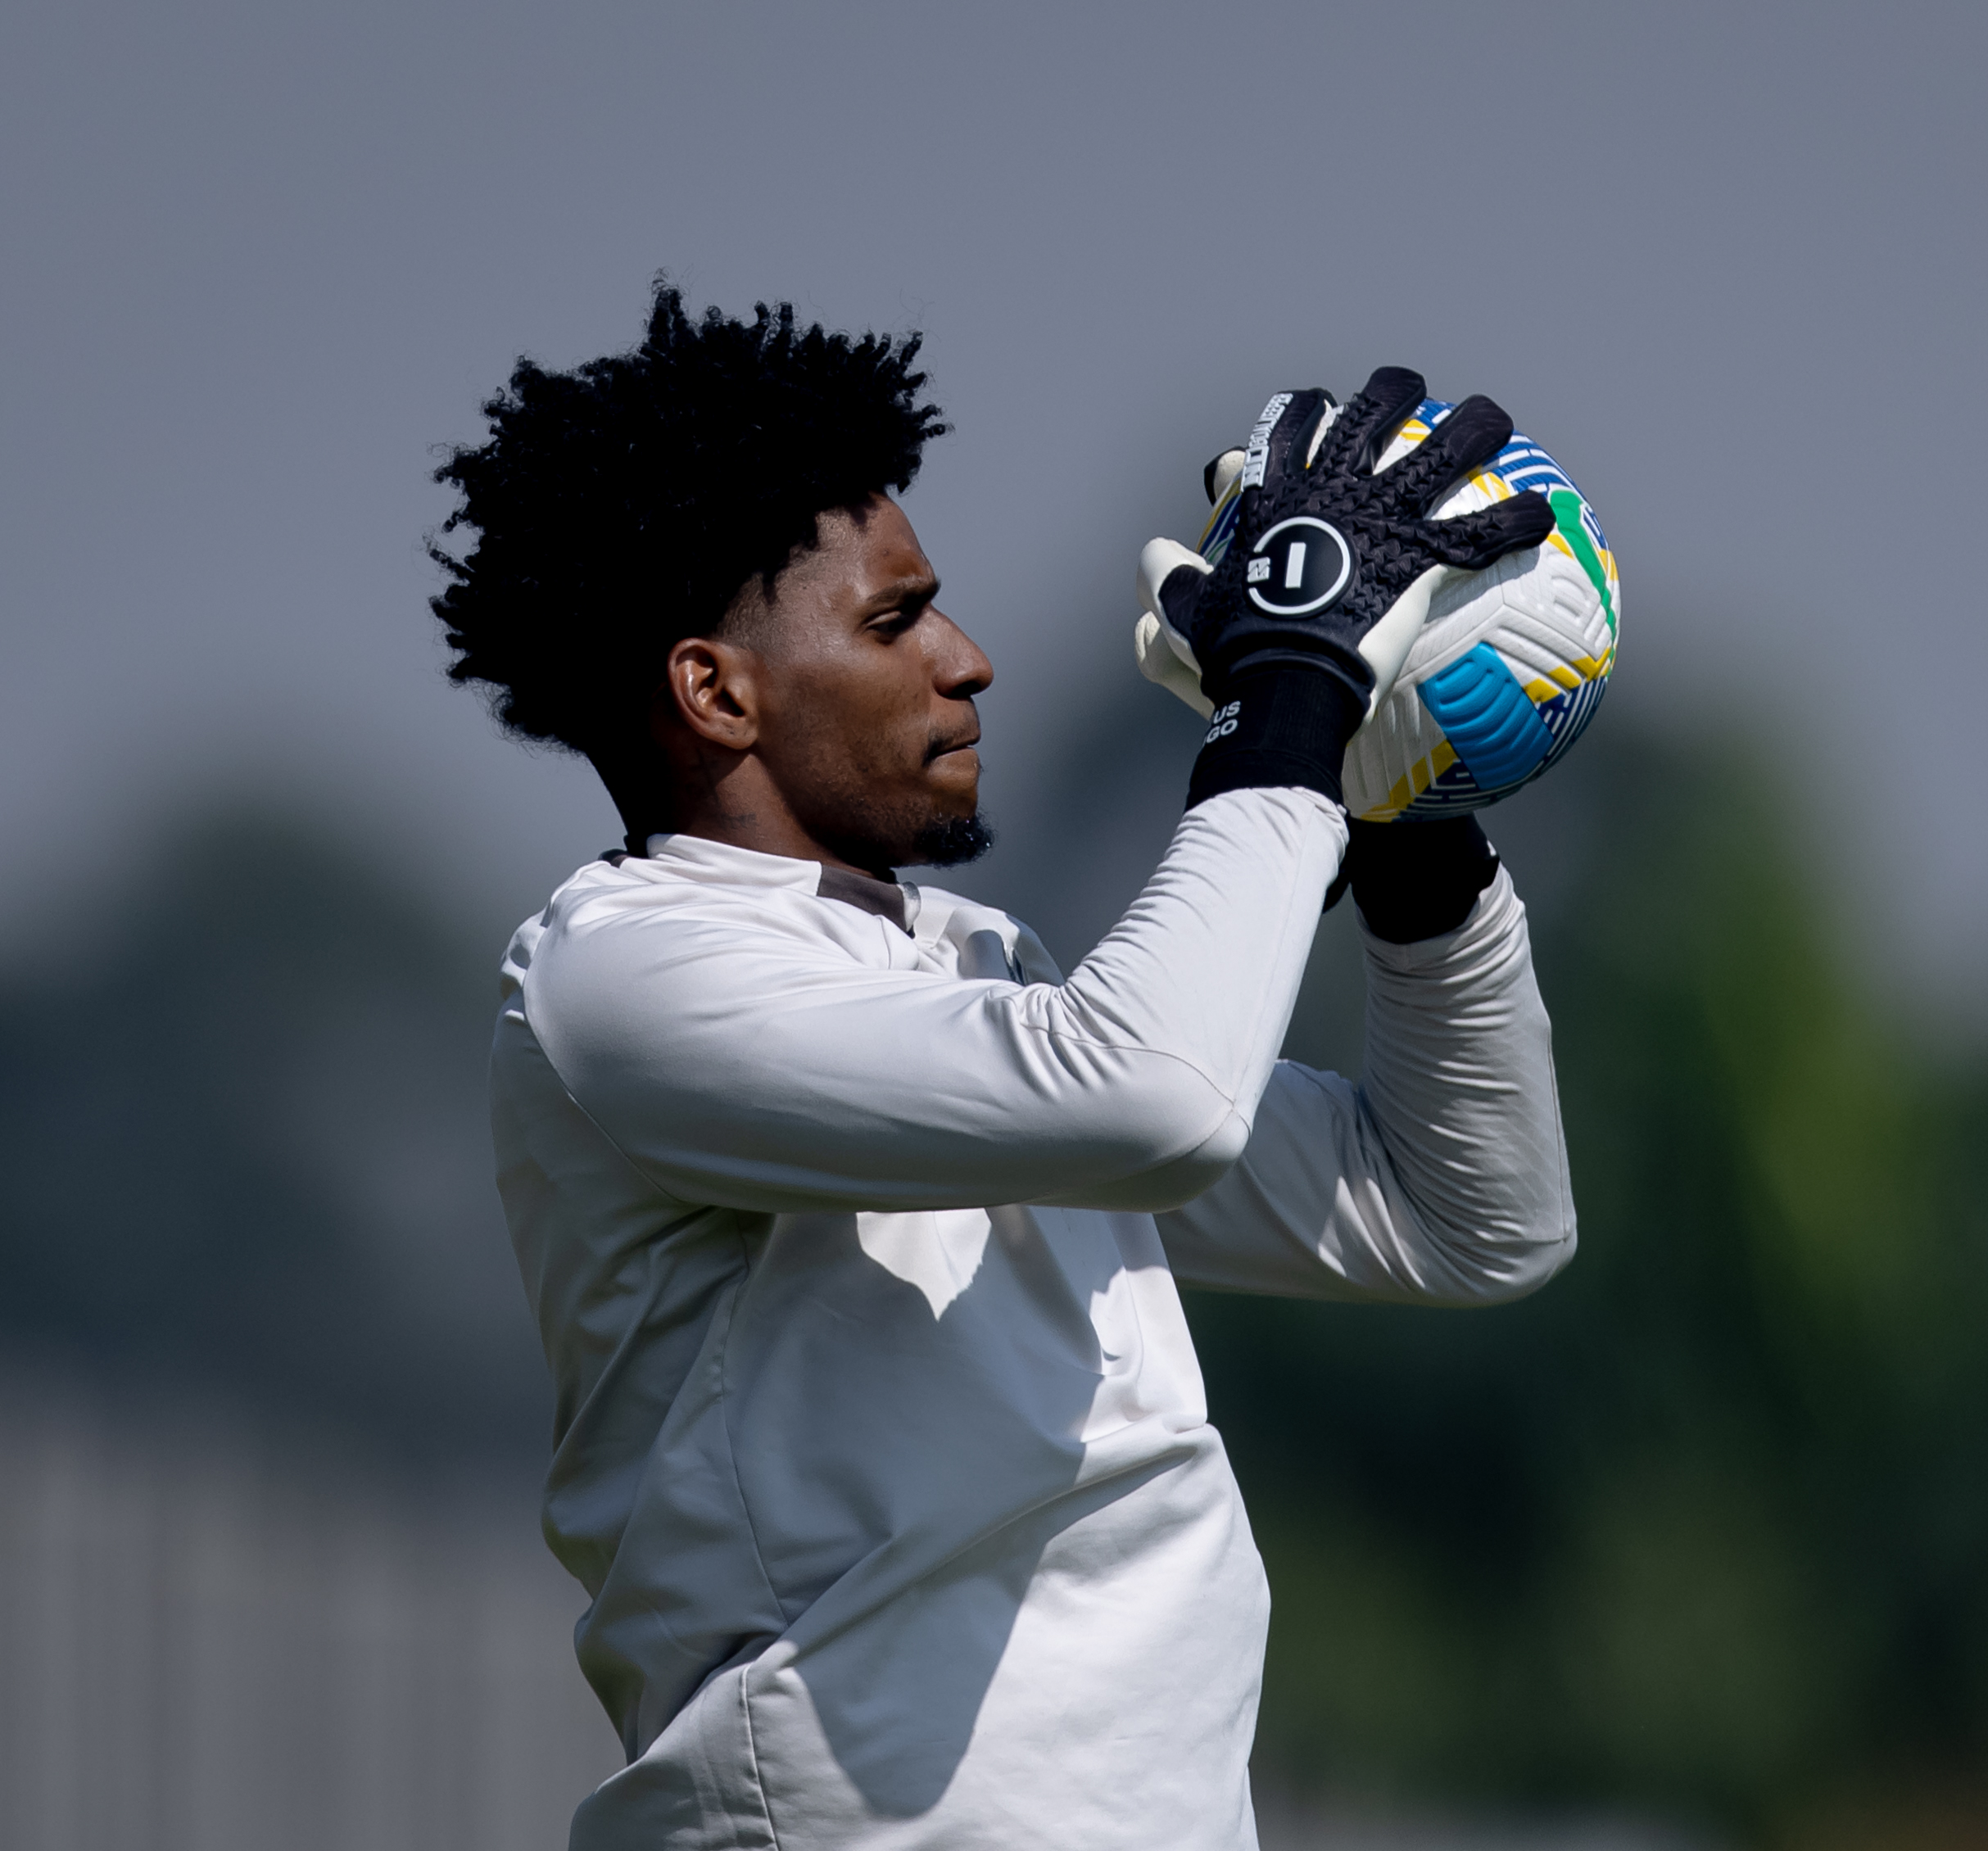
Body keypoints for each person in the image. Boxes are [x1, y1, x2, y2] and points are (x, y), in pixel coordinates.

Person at [433, 285, 1577, 1850]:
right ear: (717, 692)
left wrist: (1403, 821)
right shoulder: (625, 974)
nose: (968, 661)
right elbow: (1154, 1096)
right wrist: (1294, 696)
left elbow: (1462, 1219)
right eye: (894, 621)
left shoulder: (975, 966)